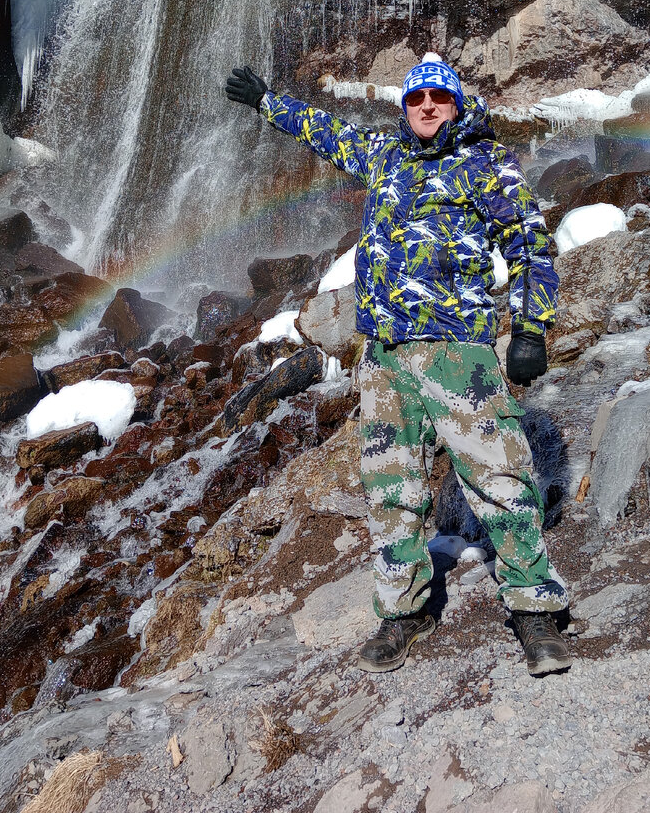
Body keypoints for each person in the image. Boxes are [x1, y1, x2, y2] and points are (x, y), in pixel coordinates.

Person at [226, 53, 571, 676]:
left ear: (457, 103)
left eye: (439, 97)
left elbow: (529, 240)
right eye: (417, 100)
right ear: (405, 108)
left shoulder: (484, 165)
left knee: (501, 479)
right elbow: (324, 130)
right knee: (392, 491)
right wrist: (266, 102)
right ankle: (404, 613)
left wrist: (531, 326)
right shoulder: (385, 156)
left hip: (456, 353)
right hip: (383, 358)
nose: (429, 107)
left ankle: (534, 609)